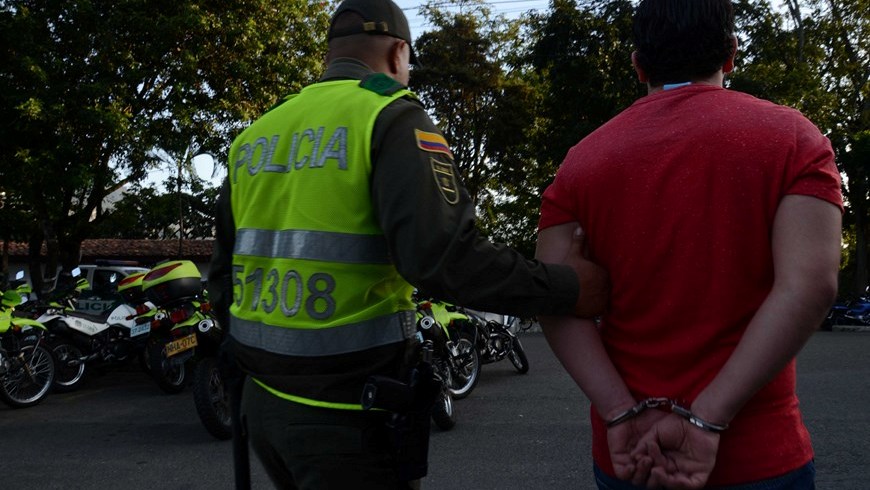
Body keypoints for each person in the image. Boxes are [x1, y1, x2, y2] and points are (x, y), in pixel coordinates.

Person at [207, 0, 608, 488]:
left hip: (262, 404)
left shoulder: (258, 134)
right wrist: (568, 287)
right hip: (347, 415)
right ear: (399, 53)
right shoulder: (390, 116)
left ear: (330, 55)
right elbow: (444, 258)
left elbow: (222, 276)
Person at [535, 0, 843, 488]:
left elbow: (551, 297)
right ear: (730, 56)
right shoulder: (794, 138)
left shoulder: (580, 162)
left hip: (629, 453)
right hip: (759, 454)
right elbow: (809, 286)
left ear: (639, 65)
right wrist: (706, 421)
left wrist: (620, 413)